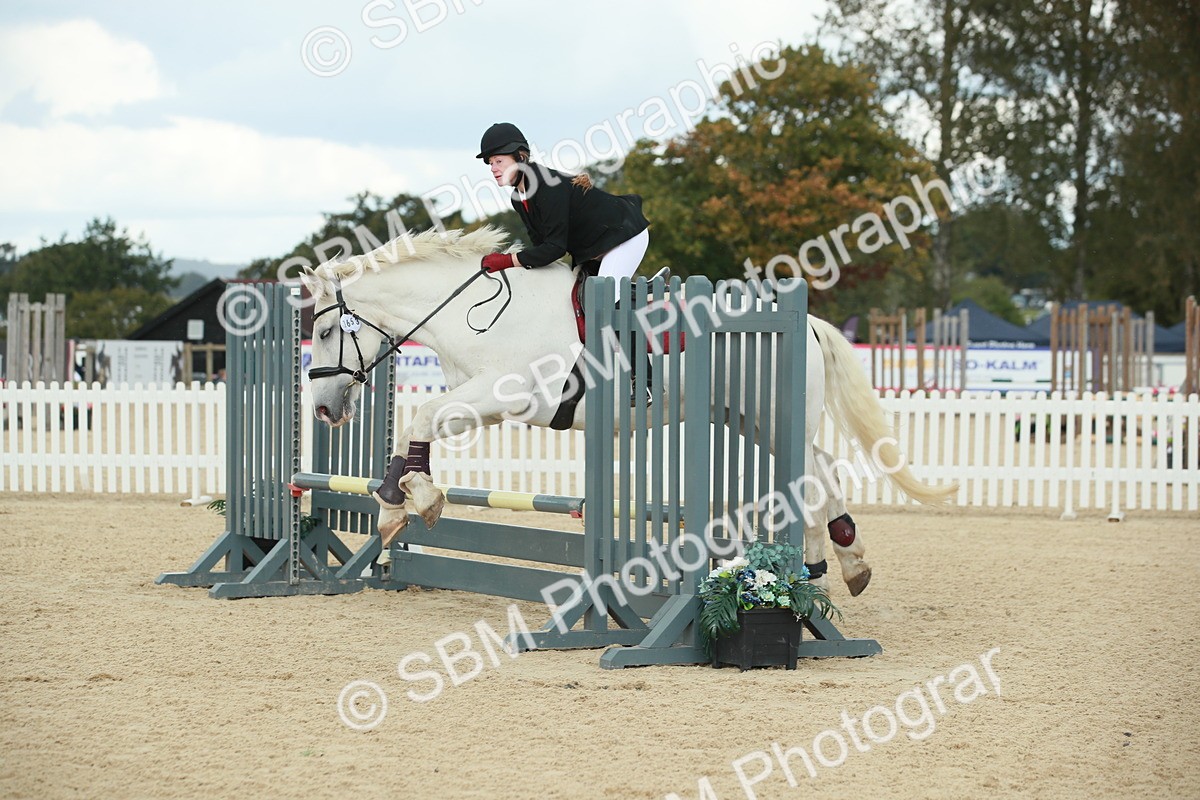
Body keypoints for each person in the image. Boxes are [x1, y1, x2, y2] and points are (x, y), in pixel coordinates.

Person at [475, 122, 650, 278]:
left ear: (521, 158)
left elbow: (555, 248)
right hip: (595, 251)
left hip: (625, 236)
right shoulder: (519, 199)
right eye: (490, 163)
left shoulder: (549, 187)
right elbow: (540, 245)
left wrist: (508, 260)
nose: (493, 168)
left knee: (603, 303)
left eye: (498, 161)